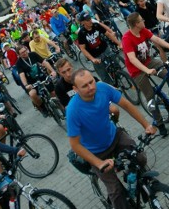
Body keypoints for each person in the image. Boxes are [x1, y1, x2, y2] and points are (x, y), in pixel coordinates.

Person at [67, 69, 157, 209]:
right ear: (75, 89)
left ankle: (144, 191)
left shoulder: (102, 88)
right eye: (84, 86)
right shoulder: (73, 110)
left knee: (139, 158)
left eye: (91, 82)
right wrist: (99, 163)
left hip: (115, 136)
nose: (91, 87)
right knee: (116, 191)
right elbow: (75, 145)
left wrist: (146, 125)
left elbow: (126, 105)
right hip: (97, 153)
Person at [122, 13, 169, 133]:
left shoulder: (143, 30)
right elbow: (132, 59)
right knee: (150, 97)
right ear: (136, 24)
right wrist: (147, 71)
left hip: (149, 62)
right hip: (137, 70)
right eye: (141, 20)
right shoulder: (127, 39)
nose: (144, 21)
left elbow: (157, 39)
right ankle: (160, 124)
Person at [76, 11, 121, 83]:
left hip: (104, 48)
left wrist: (119, 43)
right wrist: (92, 59)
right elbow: (83, 49)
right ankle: (112, 87)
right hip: (95, 55)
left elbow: (108, 34)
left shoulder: (96, 25)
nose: (90, 21)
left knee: (115, 64)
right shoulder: (81, 33)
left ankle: (120, 75)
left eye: (90, 18)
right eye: (87, 20)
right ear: (82, 22)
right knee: (104, 75)